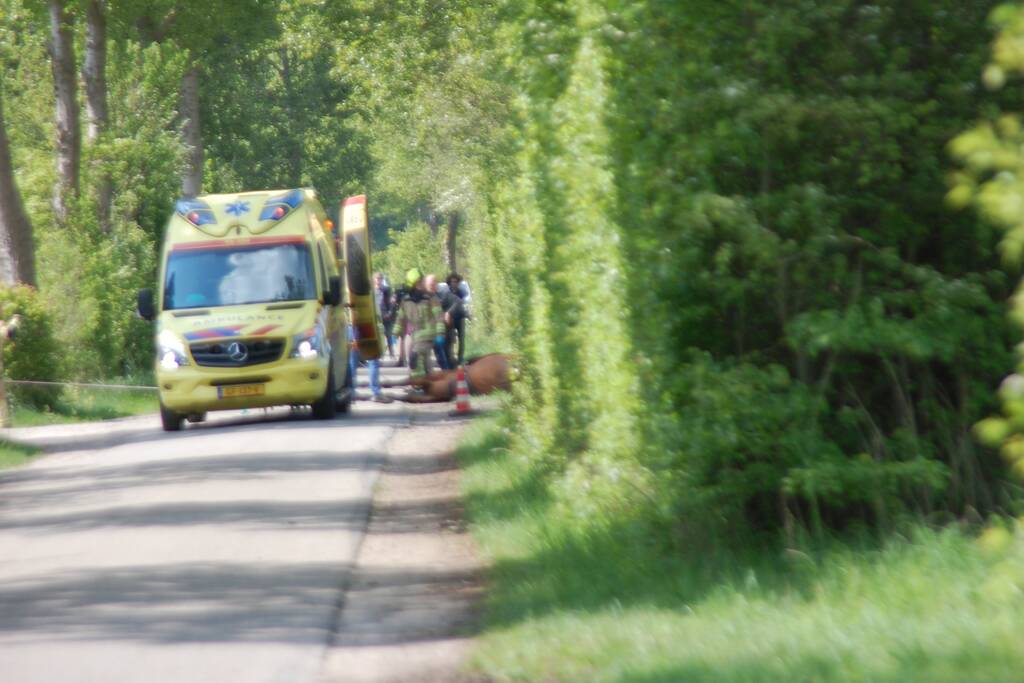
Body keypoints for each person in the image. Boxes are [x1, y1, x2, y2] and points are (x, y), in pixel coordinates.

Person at [395, 268, 444, 378]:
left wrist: (440, 334)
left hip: (428, 334)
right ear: (416, 283)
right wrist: (396, 332)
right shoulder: (406, 301)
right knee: (425, 361)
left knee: (415, 357)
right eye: (421, 281)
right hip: (415, 335)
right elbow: (400, 317)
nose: (423, 283)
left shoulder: (430, 298)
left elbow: (439, 316)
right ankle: (428, 383)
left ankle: (418, 383)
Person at [348, 324, 392, 403]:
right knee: (373, 360)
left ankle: (351, 392)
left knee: (352, 361)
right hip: (366, 325)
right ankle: (376, 393)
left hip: (352, 328)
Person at [424, 273, 450, 370]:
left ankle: (446, 376)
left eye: (435, 283)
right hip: (425, 332)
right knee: (424, 358)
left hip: (437, 332)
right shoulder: (422, 297)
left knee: (441, 357)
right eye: (431, 283)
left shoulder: (441, 295)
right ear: (426, 284)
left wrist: (448, 312)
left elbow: (453, 303)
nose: (433, 285)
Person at [443, 272, 468, 366]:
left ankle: (460, 359)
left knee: (462, 339)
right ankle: (451, 358)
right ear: (449, 283)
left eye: (456, 281)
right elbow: (443, 306)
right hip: (450, 319)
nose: (454, 283)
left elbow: (463, 304)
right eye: (452, 281)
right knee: (450, 339)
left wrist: (467, 314)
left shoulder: (461, 292)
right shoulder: (446, 294)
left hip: (460, 317)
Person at [373, 272, 395, 359]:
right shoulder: (371, 290)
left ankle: (391, 352)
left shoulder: (386, 289)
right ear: (374, 280)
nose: (378, 280)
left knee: (388, 334)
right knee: (377, 336)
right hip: (376, 316)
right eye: (377, 278)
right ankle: (379, 353)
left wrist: (389, 312)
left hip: (385, 315)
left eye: (380, 279)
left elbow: (391, 302)